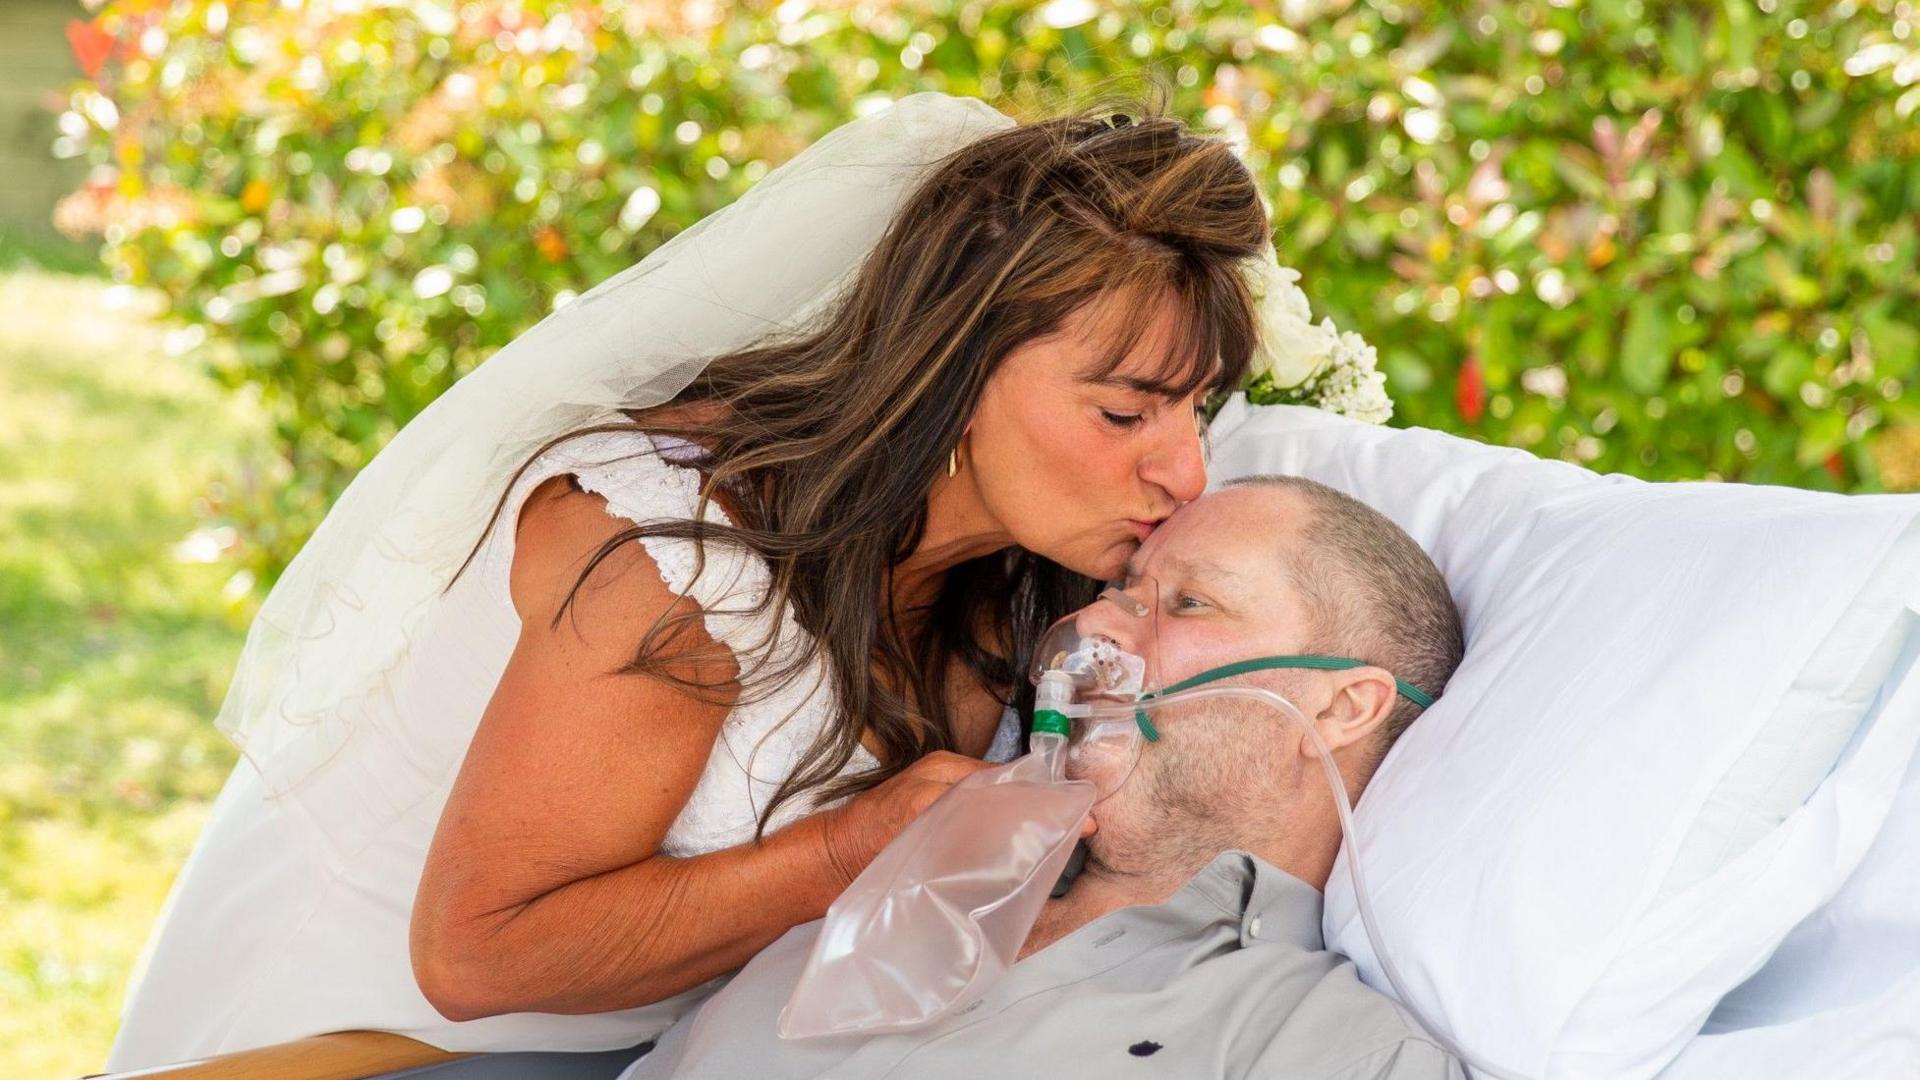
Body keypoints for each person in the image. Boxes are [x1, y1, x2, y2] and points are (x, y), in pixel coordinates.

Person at [105, 89, 1295, 1069]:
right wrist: (850, 848)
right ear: (952, 373)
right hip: (374, 1047)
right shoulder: (672, 556)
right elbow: (474, 961)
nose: (1184, 467)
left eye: (1197, 406)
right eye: (1126, 410)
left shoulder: (1023, 576)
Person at [619, 475, 1469, 1080]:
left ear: (1340, 709)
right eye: (1116, 591)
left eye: (1190, 604)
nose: (1094, 623)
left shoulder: (1329, 1052)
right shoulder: (916, 874)